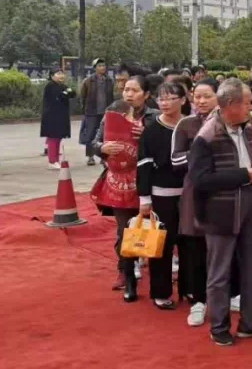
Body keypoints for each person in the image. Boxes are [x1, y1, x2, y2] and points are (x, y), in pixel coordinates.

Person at [189, 78, 252, 347]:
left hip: (251, 205)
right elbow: (200, 180)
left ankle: (251, 323)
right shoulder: (206, 136)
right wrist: (242, 175)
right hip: (220, 211)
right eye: (248, 102)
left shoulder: (248, 129)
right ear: (231, 104)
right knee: (220, 272)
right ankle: (219, 326)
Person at [92, 74, 157, 302]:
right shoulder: (111, 115)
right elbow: (94, 143)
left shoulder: (154, 117)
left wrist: (146, 136)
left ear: (146, 95)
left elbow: (165, 146)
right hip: (119, 183)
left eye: (134, 90)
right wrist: (102, 148)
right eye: (126, 90)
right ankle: (126, 274)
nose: (128, 94)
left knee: (148, 228)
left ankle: (156, 270)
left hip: (147, 181)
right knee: (124, 230)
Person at [137, 81, 189, 310]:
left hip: (190, 194)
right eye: (161, 99)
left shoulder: (191, 126)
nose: (164, 103)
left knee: (190, 243)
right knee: (162, 245)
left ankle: (190, 288)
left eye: (170, 98)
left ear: (183, 100)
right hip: (162, 195)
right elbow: (144, 165)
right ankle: (161, 291)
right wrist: (144, 198)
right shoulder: (152, 130)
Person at [171, 78, 219, 326]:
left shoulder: (230, 122)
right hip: (195, 192)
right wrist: (199, 153)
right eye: (197, 96)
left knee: (224, 247)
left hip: (223, 191)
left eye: (207, 96)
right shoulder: (186, 124)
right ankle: (198, 300)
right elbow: (175, 160)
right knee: (197, 249)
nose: (201, 101)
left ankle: (226, 294)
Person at [79, 58, 113, 166]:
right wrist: (85, 110)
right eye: (99, 66)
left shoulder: (109, 80)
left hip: (106, 112)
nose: (102, 67)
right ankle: (90, 157)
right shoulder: (88, 81)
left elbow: (112, 95)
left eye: (103, 65)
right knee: (90, 134)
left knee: (105, 135)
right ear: (95, 68)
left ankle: (103, 157)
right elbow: (83, 96)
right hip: (91, 112)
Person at [41, 69, 77, 169]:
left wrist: (66, 92)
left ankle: (56, 160)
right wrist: (66, 93)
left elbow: (73, 93)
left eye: (62, 74)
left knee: (58, 138)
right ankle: (52, 161)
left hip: (61, 116)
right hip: (52, 116)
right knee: (53, 138)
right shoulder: (50, 86)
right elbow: (60, 96)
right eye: (58, 74)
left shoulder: (62, 86)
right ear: (52, 76)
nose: (61, 76)